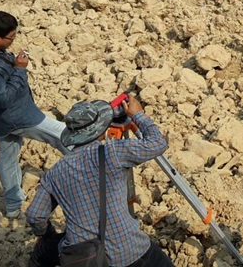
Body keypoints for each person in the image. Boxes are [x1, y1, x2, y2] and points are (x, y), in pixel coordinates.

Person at [26, 95, 175, 267]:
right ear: (101, 130)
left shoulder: (54, 173)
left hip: (84, 259)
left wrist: (48, 235)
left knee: (42, 250)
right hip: (129, 251)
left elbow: (35, 215)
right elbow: (158, 143)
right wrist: (138, 114)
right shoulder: (113, 153)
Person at [0, 10, 68, 219]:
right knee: (65, 135)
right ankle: (91, 172)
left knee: (7, 158)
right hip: (18, 116)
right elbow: (2, 99)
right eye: (10, 38)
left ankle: (13, 206)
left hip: (0, 120)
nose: (13, 41)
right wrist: (20, 69)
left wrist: (12, 63)